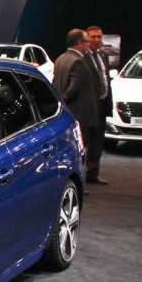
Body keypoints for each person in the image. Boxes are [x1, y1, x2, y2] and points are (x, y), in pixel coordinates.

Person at [53, 29, 105, 185]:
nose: (89, 44)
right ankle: (79, 182)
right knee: (79, 151)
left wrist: (59, 102)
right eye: (87, 41)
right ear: (79, 43)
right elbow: (73, 89)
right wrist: (63, 101)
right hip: (80, 114)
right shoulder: (78, 61)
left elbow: (55, 85)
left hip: (70, 113)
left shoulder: (61, 58)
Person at [84, 25, 111, 182]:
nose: (96, 40)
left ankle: (93, 173)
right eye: (93, 37)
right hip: (87, 107)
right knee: (85, 141)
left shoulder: (102, 55)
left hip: (101, 104)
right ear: (86, 38)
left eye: (99, 37)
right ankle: (81, 173)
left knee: (98, 141)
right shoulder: (81, 57)